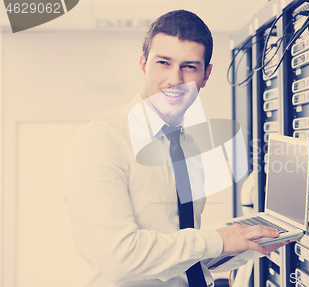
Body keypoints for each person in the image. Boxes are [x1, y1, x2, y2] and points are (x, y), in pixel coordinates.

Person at [61, 9, 290, 287]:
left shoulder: (189, 146)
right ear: (144, 64)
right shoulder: (100, 142)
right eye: (164, 63)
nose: (174, 79)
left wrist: (244, 244)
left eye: (189, 67)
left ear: (205, 76)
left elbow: (180, 257)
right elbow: (119, 258)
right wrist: (216, 239)